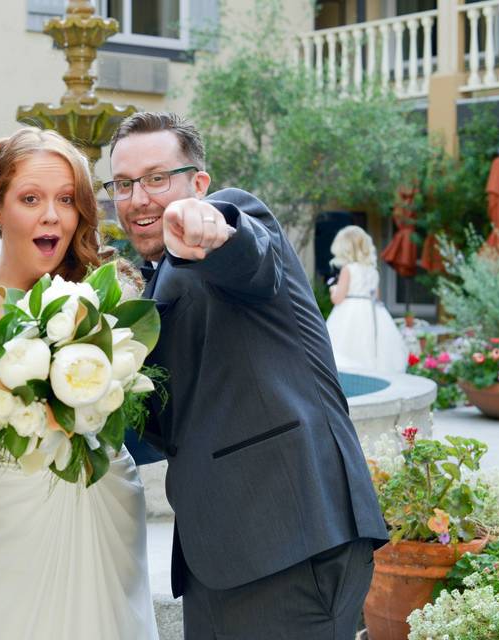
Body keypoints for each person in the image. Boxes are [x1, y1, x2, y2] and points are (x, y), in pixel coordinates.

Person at [108, 112, 388, 639]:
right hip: (221, 553)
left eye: (156, 178)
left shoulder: (226, 219)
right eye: (124, 184)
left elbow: (246, 253)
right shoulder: (147, 286)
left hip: (289, 538)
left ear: (199, 183)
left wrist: (209, 225)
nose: (139, 198)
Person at [0, 127, 159, 640]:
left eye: (66, 200)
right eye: (30, 199)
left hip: (90, 502)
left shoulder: (113, 289)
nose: (51, 215)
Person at [326, 225, 408, 373]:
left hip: (349, 311)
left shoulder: (348, 269)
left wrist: (333, 290)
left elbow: (338, 299)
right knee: (370, 346)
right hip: (372, 312)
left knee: (347, 346)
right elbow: (377, 297)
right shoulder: (372, 270)